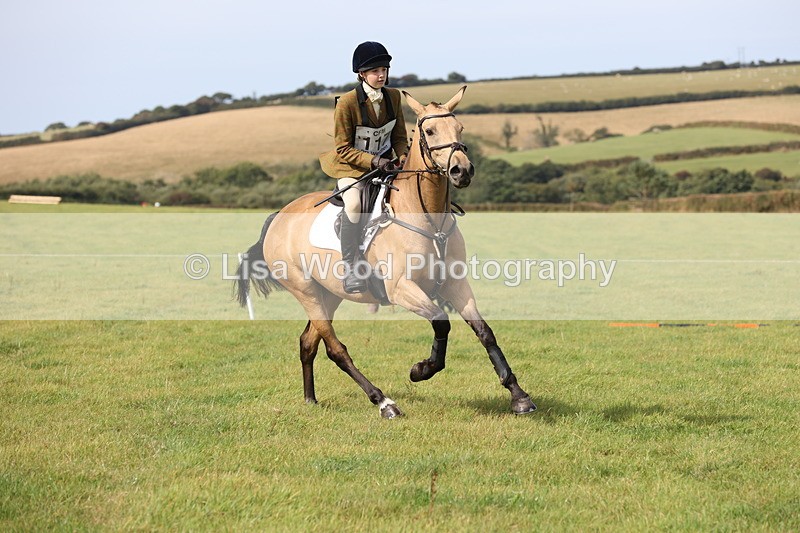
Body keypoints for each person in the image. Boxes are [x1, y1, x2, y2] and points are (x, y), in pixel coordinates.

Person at [320, 41, 409, 294]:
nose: (381, 75)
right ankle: (351, 268)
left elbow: (400, 137)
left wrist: (402, 157)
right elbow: (343, 149)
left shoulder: (393, 97)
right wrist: (375, 161)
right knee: (355, 204)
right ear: (362, 74)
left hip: (386, 165)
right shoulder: (347, 103)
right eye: (374, 71)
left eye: (384, 70)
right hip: (351, 168)